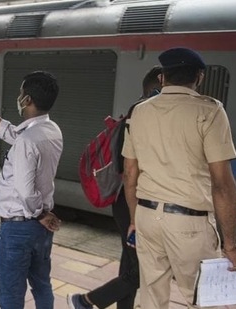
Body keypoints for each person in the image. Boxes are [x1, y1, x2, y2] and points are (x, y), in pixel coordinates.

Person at [122, 47, 236, 308]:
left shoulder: (139, 112)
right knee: (204, 298)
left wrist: (134, 219)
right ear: (199, 77)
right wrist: (230, 246)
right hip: (189, 224)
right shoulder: (210, 111)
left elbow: (129, 173)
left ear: (162, 78)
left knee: (151, 297)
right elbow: (222, 184)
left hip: (147, 217)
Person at [67, 66, 163, 309]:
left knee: (129, 264)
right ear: (158, 87)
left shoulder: (143, 113)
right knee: (138, 272)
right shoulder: (140, 114)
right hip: (131, 201)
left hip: (129, 199)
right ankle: (86, 301)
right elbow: (129, 166)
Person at [0, 71, 63, 309]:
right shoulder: (51, 130)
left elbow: (25, 190)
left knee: (11, 295)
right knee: (42, 285)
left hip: (17, 229)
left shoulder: (27, 140)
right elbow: (14, 133)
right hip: (39, 232)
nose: (19, 96)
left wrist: (40, 214)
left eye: (21, 93)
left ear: (28, 100)